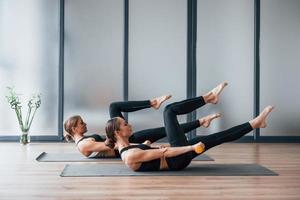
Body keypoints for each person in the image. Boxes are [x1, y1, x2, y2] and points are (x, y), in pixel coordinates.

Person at [105, 82, 274, 171]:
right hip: (175, 160)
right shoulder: (130, 155)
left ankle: (256, 123)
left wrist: (148, 145)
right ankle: (209, 97)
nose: (129, 124)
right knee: (169, 111)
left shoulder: (128, 148)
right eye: (125, 124)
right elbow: (166, 152)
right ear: (118, 132)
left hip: (175, 159)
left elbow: (148, 152)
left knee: (216, 138)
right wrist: (191, 147)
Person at [64, 95, 220, 158]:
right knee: (167, 129)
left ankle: (152, 103)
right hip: (126, 144)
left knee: (114, 107)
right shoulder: (85, 144)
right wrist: (142, 146)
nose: (85, 124)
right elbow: (114, 146)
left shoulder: (84, 140)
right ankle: (201, 121)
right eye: (81, 123)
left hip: (124, 139)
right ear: (74, 129)